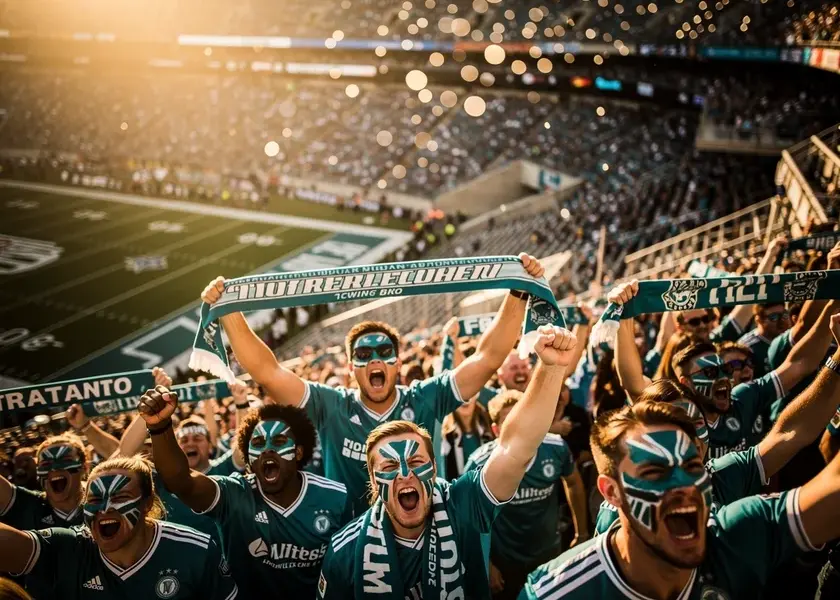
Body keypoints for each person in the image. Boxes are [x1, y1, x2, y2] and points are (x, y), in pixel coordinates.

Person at [199, 253, 546, 515]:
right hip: (349, 542)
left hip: (422, 533)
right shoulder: (332, 405)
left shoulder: (425, 398)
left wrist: (519, 290)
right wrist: (228, 310)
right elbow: (268, 372)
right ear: (351, 368)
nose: (375, 360)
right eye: (364, 355)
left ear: (398, 362)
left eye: (384, 352)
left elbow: (486, 359)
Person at [317, 324, 578, 599]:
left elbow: (515, 446)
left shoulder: (464, 505)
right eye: (390, 467)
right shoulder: (344, 552)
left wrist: (550, 369)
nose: (406, 474)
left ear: (434, 468)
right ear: (372, 480)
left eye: (416, 461)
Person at [520, 397, 840, 599]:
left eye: (692, 466)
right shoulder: (557, 591)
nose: (685, 484)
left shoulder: (734, 537)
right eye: (655, 473)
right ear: (612, 492)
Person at [138, 387, 350, 597]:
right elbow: (182, 482)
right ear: (247, 456)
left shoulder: (335, 497)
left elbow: (347, 569)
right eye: (257, 443)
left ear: (299, 452)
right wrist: (160, 427)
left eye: (278, 442)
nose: (267, 449)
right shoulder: (232, 495)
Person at [610, 280, 839, 458]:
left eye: (725, 369)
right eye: (710, 373)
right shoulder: (680, 415)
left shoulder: (743, 398)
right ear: (685, 383)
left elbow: (799, 364)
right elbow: (632, 383)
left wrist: (834, 300)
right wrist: (624, 315)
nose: (723, 378)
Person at [0, 456, 238, 600]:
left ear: (147, 504)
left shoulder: (194, 551)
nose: (105, 509)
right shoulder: (70, 547)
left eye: (121, 497)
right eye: (94, 501)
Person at [466, 389, 589, 600]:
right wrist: (486, 563)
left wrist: (582, 533)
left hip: (548, 558)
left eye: (521, 417)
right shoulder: (480, 463)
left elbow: (574, 484)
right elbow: (469, 518)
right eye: (509, 421)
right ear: (496, 430)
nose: (518, 426)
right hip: (505, 565)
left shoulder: (555, 447)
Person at [0, 433, 87, 530]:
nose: (54, 469)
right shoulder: (29, 506)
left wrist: (86, 426)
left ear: (84, 467)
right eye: (46, 463)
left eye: (65, 460)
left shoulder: (102, 504)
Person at [737, 303, 791, 378]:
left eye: (784, 314)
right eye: (774, 317)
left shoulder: (790, 338)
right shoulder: (747, 347)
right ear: (759, 320)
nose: (782, 321)